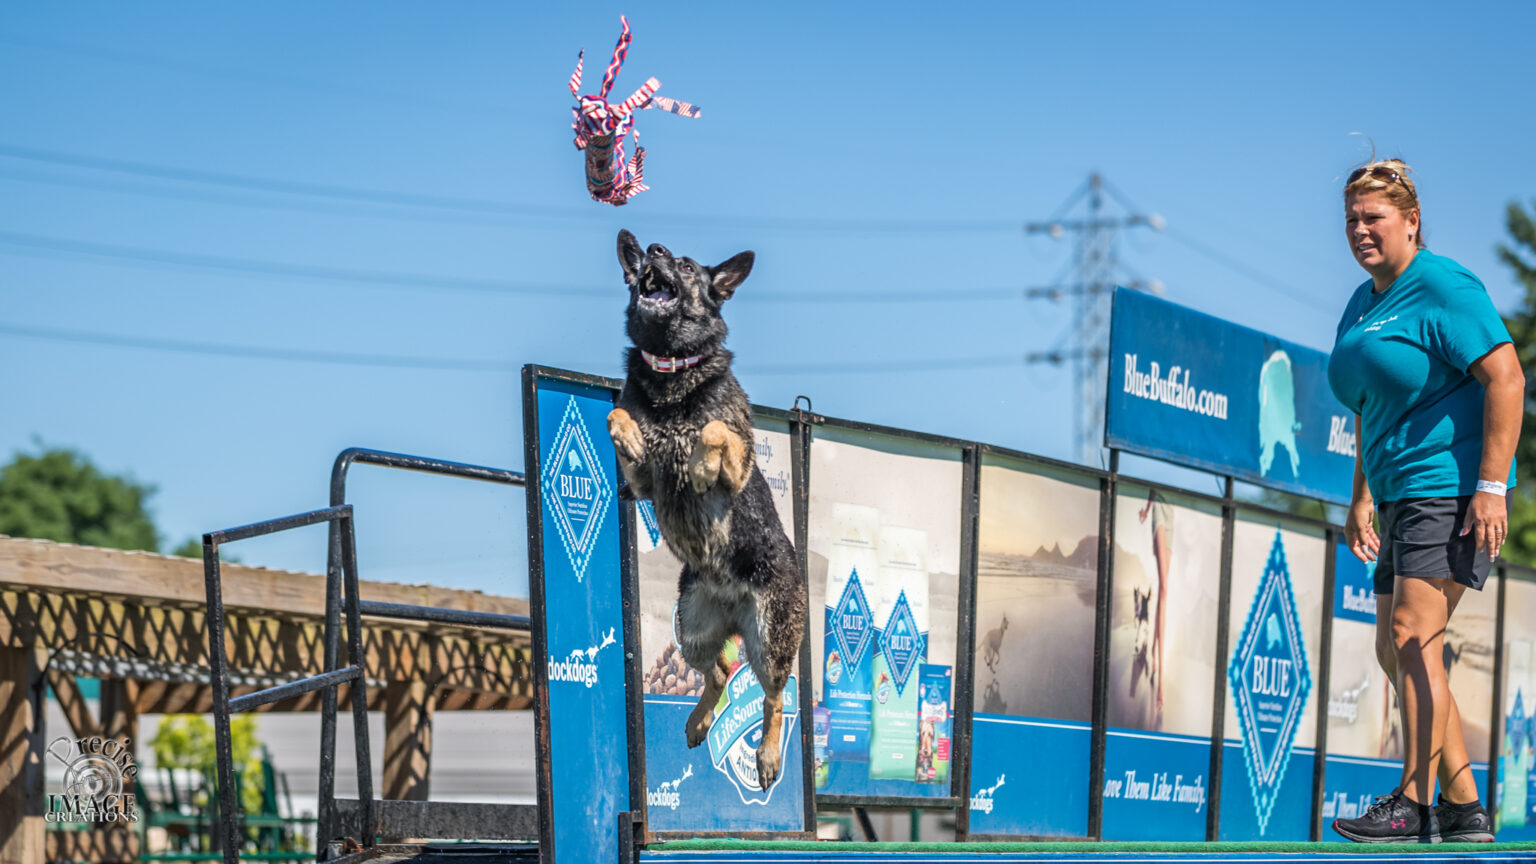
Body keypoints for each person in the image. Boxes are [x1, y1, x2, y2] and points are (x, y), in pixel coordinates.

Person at [1327, 158, 1523, 843]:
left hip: (1450, 486)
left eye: (1373, 217)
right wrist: (1360, 497)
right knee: (1396, 649)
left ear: (1411, 222)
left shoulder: (1443, 286)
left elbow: (1506, 378)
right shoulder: (1363, 301)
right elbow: (1370, 403)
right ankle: (1465, 805)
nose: (1360, 230)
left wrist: (1492, 487)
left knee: (1414, 636)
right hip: (1395, 490)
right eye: (1351, 219)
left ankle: (1413, 803)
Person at [1137, 488, 1171, 719]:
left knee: (1163, 591)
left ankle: (1153, 653)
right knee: (1164, 588)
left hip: (1172, 515)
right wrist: (1147, 510)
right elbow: (1154, 483)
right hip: (1159, 508)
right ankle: (1161, 681)